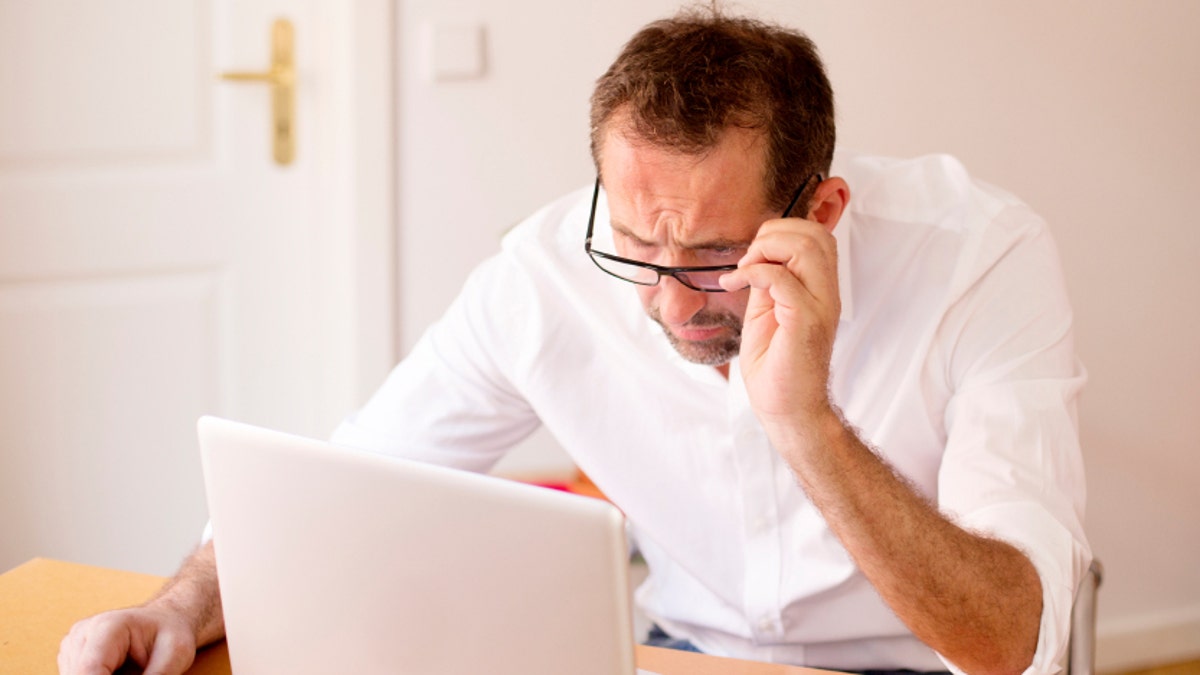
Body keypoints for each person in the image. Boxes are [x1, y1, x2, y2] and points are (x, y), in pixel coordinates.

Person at [58, 7, 1091, 675]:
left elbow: (1009, 638)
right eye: (635, 245)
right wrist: (180, 605)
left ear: (819, 211)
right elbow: (341, 479)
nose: (660, 302)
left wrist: (804, 422)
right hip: (673, 655)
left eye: (711, 259)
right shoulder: (549, 268)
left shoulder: (980, 259)